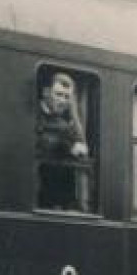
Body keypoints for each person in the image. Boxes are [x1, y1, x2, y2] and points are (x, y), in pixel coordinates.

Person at [35, 70, 92, 211]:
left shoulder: (64, 123)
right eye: (58, 94)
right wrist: (67, 146)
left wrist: (74, 113)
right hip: (36, 195)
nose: (63, 101)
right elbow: (40, 143)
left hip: (59, 199)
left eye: (67, 97)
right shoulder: (32, 114)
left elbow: (81, 149)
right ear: (46, 92)